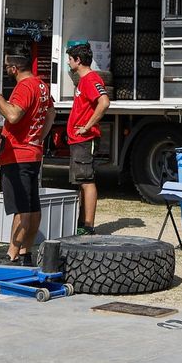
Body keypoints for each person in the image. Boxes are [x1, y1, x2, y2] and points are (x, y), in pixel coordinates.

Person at [0, 54, 56, 264]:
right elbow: (51, 113)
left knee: (21, 208)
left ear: (14, 68)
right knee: (33, 206)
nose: (6, 70)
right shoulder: (41, 85)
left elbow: (13, 115)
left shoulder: (25, 87)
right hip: (32, 152)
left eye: (7, 66)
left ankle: (12, 255)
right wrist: (38, 138)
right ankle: (25, 253)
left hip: (18, 154)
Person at [66, 43, 109, 235]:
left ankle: (88, 225)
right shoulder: (83, 80)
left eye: (70, 59)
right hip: (77, 139)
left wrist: (87, 126)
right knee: (81, 181)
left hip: (84, 139)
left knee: (87, 181)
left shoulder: (90, 79)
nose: (68, 62)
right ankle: (82, 221)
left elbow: (104, 102)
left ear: (78, 60)